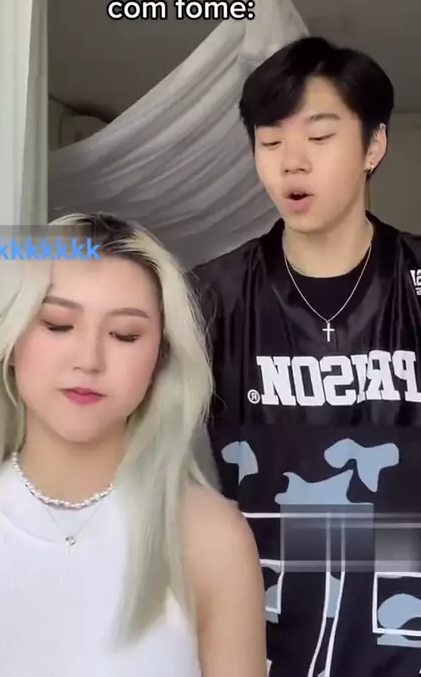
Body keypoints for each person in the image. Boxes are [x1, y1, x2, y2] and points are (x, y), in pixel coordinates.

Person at [0, 213, 266, 677]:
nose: (89, 360)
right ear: (12, 339)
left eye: (124, 335)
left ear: (159, 360)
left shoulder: (211, 540)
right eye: (58, 324)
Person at [191, 36, 421, 676]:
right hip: (258, 630)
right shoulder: (209, 297)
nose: (291, 163)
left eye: (319, 138)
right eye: (270, 143)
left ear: (374, 146)